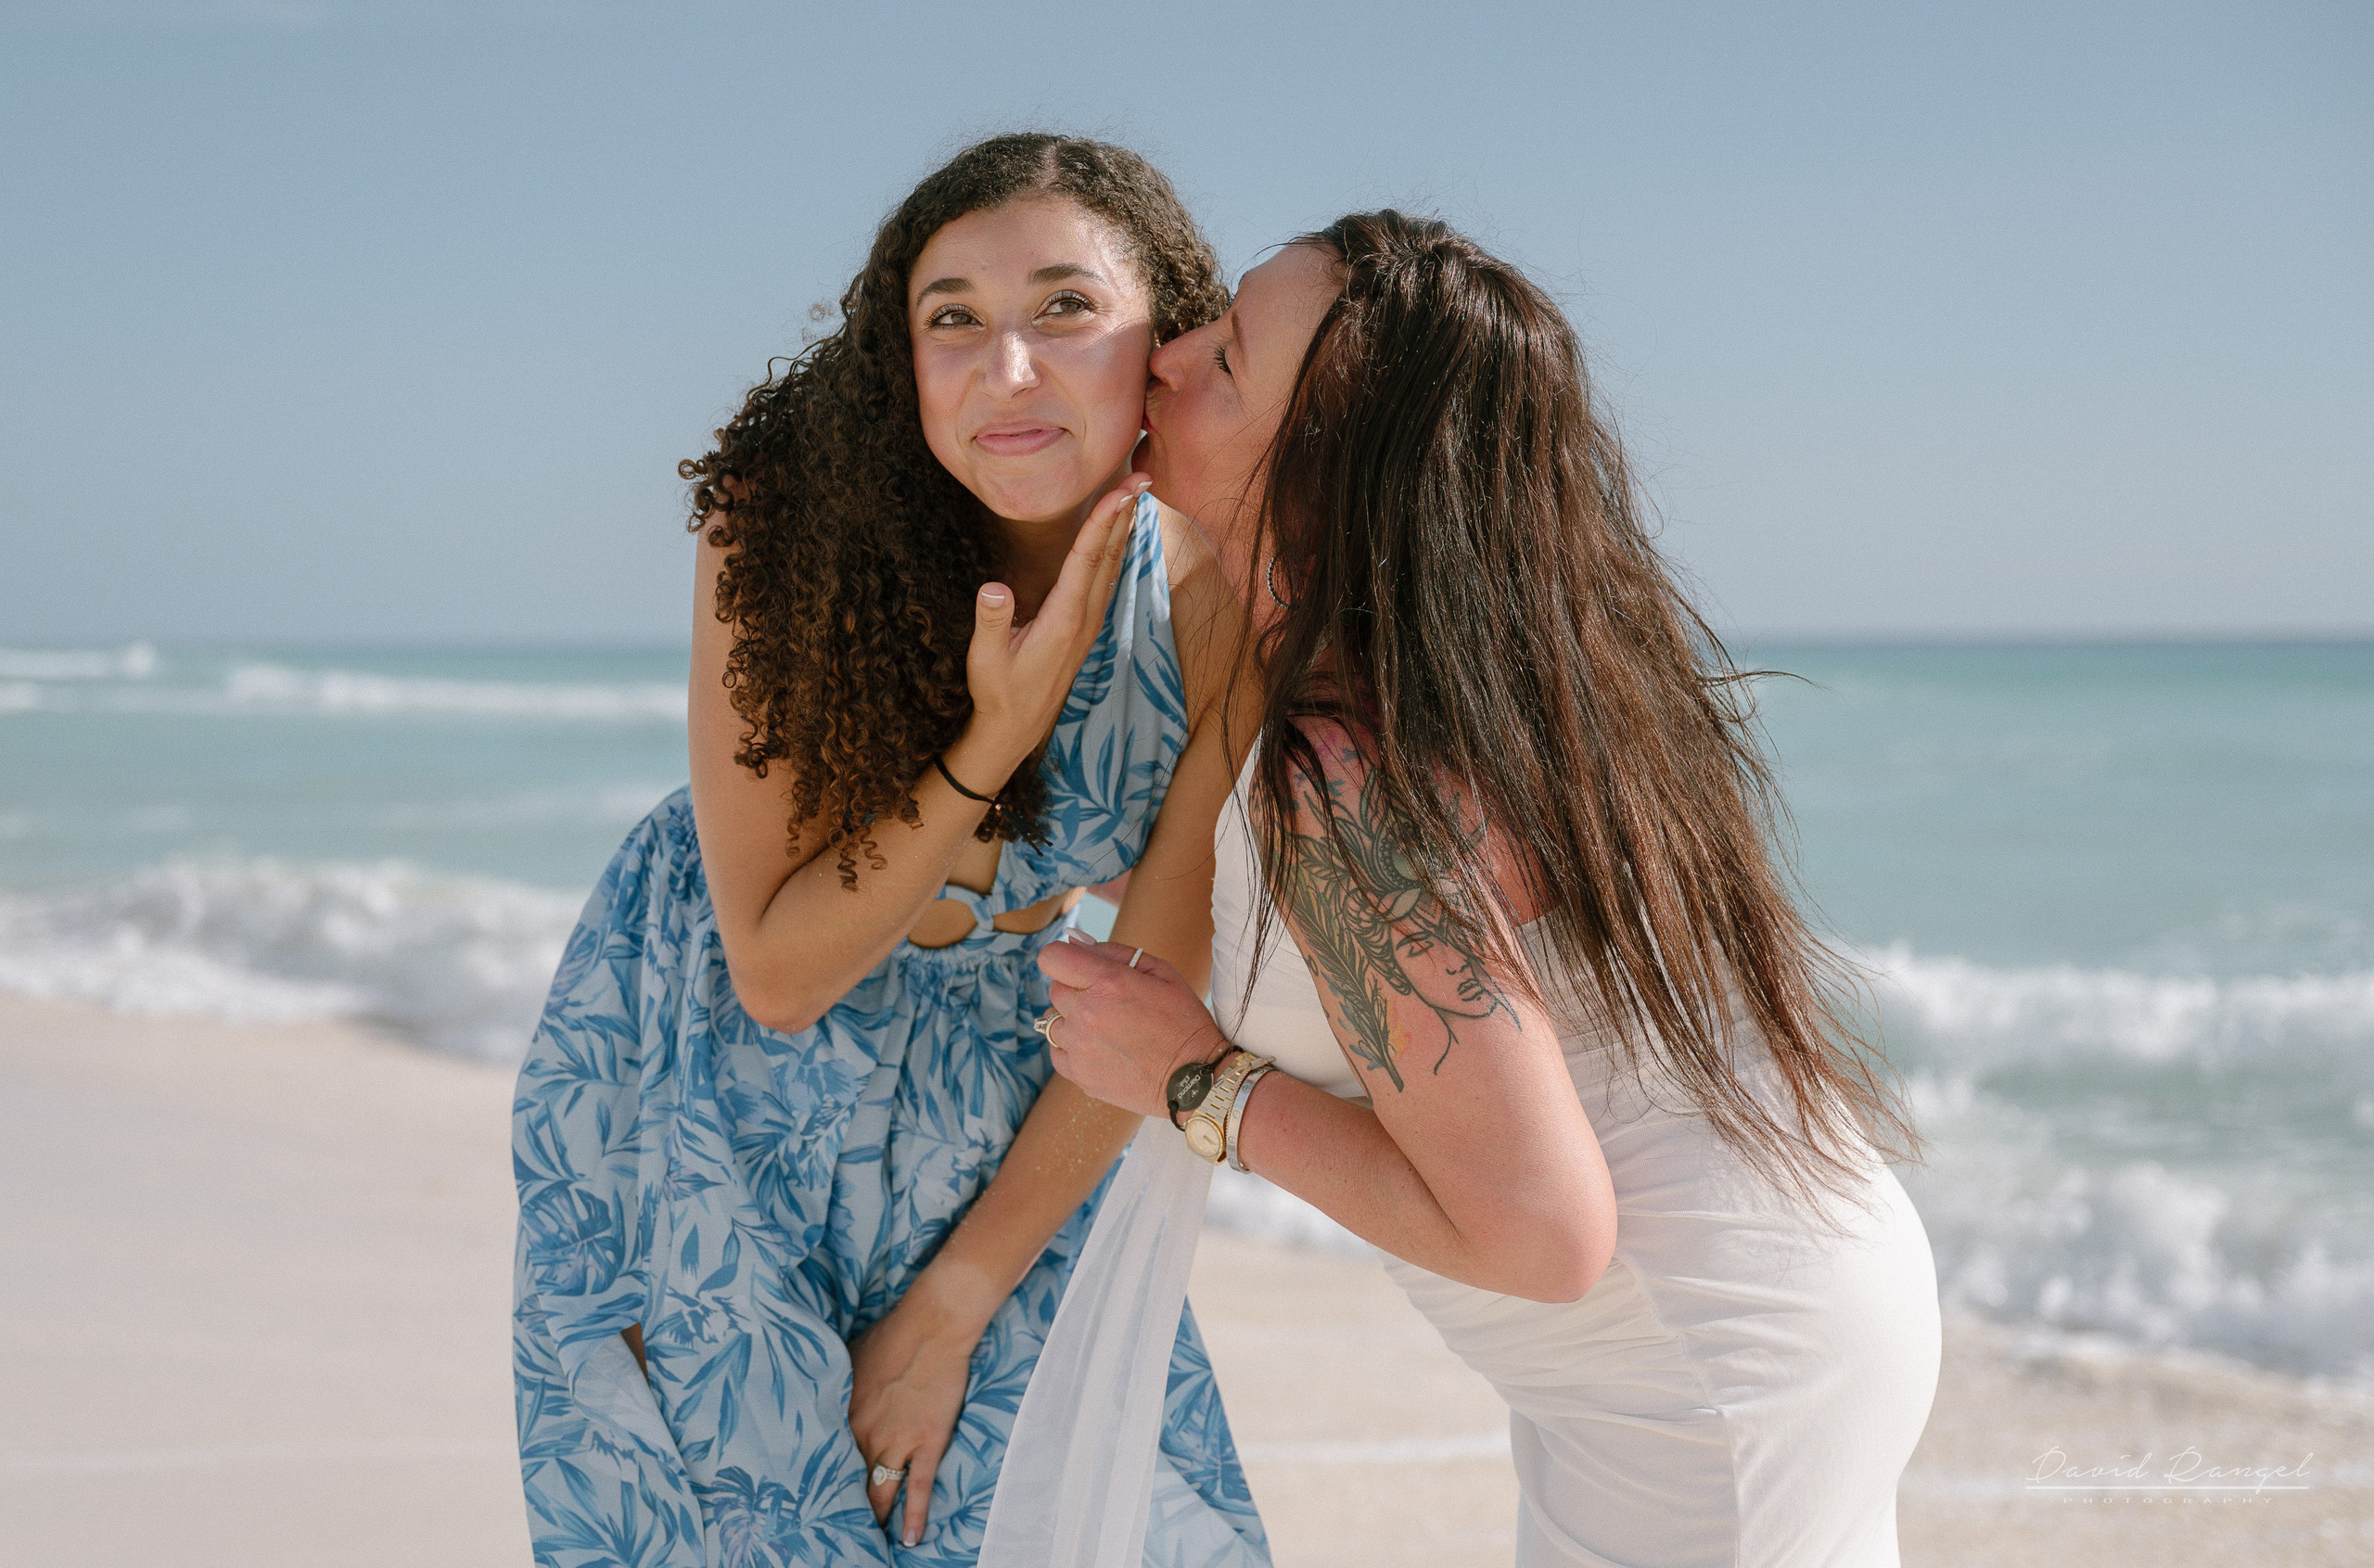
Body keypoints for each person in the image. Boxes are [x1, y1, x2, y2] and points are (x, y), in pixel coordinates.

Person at [1030, 211, 1942, 1567]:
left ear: (1329, 474)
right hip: (1786, 1293)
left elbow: (1540, 1235)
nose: (1165, 357)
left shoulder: (1347, 774)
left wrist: (1192, 1080)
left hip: (1697, 1370)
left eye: (1224, 360)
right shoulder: (1467, 687)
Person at [509, 134, 1270, 1568]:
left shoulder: (1219, 572)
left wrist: (951, 1306)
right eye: (955, 320)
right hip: (700, 1065)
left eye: (1065, 308)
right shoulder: (787, 527)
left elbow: (1154, 980)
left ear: (1162, 338)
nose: (1011, 370)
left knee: (1118, 1512)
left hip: (1016, 1061)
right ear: (899, 356)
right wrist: (994, 741)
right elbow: (781, 974)